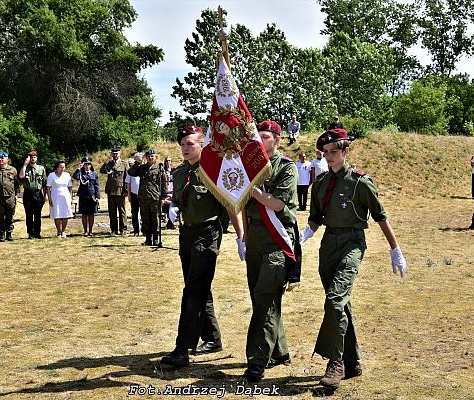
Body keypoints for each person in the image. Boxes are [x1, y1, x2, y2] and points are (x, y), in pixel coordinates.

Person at [299, 128, 407, 389]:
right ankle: (352, 360)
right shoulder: (321, 183)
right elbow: (315, 217)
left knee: (335, 300)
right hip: (329, 245)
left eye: (334, 152)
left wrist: (395, 249)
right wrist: (304, 234)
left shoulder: (360, 181)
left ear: (346, 151)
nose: (329, 157)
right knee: (340, 305)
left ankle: (335, 363)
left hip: (352, 242)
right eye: (325, 153)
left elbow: (380, 215)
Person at [160, 125, 243, 368]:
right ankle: (212, 338)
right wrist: (172, 207)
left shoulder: (214, 172)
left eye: (191, 144)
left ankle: (182, 348)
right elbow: (177, 199)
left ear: (202, 145)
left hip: (207, 234)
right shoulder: (179, 173)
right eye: (183, 144)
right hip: (186, 234)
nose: (186, 148)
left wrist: (241, 237)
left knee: (193, 291)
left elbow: (231, 205)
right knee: (197, 286)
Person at [239, 120, 301, 382]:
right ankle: (279, 351)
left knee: (265, 299)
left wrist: (250, 189)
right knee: (260, 297)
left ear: (276, 140)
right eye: (257, 137)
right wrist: (242, 236)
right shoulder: (249, 167)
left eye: (265, 137)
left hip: (277, 239)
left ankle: (257, 360)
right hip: (254, 238)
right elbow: (241, 202)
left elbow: (276, 204)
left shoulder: (286, 167)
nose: (260, 141)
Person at [127, 149, 168, 246]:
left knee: (155, 219)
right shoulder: (142, 168)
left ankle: (156, 239)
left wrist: (163, 197)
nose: (150, 158)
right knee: (145, 218)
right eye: (149, 156)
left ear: (155, 157)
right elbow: (130, 172)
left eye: (152, 156)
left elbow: (164, 183)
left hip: (155, 197)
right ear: (146, 157)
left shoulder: (159, 168)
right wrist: (137, 163)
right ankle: (148, 239)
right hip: (143, 197)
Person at [100, 147, 129, 236]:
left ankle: (123, 228)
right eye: (113, 153)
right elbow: (102, 171)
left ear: (119, 153)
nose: (115, 155)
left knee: (122, 211)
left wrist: (126, 189)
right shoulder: (109, 163)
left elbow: (127, 178)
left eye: (116, 153)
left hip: (120, 190)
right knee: (112, 211)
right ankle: (113, 229)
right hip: (110, 190)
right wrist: (106, 161)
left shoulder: (124, 163)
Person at [19, 151, 47, 239]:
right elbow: (21, 177)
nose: (33, 159)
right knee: (29, 214)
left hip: (38, 193)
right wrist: (24, 165)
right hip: (28, 193)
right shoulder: (25, 168)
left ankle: (37, 233)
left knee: (38, 214)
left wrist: (45, 195)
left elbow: (44, 183)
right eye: (31, 157)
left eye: (34, 157)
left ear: (37, 158)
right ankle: (30, 233)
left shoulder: (41, 168)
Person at [73, 156, 100, 236]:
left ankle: (90, 231)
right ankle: (85, 230)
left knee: (91, 214)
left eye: (88, 164)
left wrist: (98, 196)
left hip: (92, 196)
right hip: (83, 195)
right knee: (84, 214)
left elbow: (97, 185)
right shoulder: (81, 173)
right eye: (85, 164)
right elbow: (75, 177)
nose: (87, 166)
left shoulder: (94, 174)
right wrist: (78, 169)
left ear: (91, 165)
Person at [46, 160, 73, 238]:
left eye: (63, 167)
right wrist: (49, 198)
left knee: (65, 214)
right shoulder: (51, 175)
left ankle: (63, 231)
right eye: (60, 167)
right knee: (57, 214)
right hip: (55, 196)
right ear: (57, 167)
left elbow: (70, 187)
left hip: (65, 196)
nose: (62, 168)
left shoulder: (67, 175)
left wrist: (71, 197)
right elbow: (48, 187)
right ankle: (59, 231)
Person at [125, 152, 142, 236]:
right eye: (138, 158)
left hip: (143, 194)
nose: (140, 159)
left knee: (144, 212)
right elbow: (128, 183)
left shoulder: (144, 168)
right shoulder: (132, 170)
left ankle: (144, 229)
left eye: (141, 158)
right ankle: (136, 230)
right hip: (134, 194)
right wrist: (129, 195)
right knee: (134, 213)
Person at [162, 156, 176, 229]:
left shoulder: (174, 171)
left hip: (172, 192)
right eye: (167, 161)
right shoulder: (162, 171)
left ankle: (170, 222)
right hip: (165, 192)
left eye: (169, 161)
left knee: (172, 205)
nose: (168, 162)